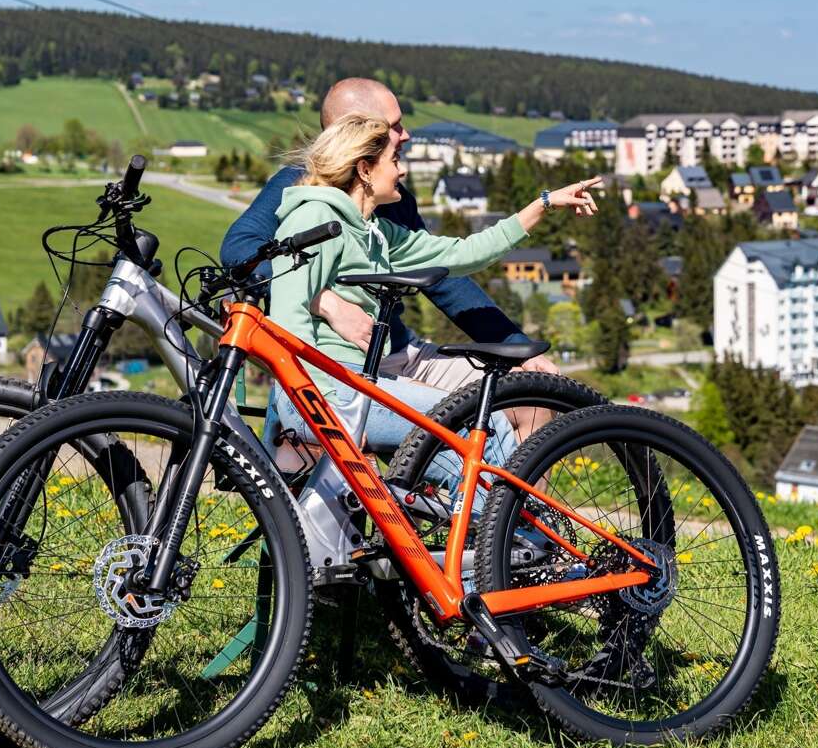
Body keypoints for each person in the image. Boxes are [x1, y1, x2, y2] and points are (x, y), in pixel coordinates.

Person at [221, 77, 557, 434]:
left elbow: (445, 274)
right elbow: (239, 250)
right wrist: (326, 302)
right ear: (355, 133)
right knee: (462, 431)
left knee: (532, 401)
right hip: (337, 362)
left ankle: (508, 492)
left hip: (397, 350)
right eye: (395, 125)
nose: (407, 134)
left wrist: (519, 350)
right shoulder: (302, 190)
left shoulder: (394, 200)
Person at [265, 112, 601, 462]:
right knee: (489, 427)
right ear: (365, 170)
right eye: (394, 161)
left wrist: (541, 205)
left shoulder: (376, 232)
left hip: (354, 385)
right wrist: (328, 411)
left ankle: (483, 516)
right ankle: (503, 517)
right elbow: (290, 322)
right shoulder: (316, 218)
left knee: (468, 458)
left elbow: (464, 253)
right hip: (328, 392)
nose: (402, 171)